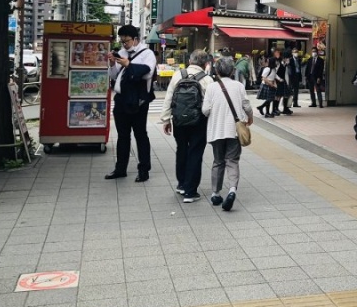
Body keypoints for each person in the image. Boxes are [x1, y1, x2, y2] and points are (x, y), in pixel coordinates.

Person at [160, 49, 213, 202]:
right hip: (199, 121)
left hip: (179, 121)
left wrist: (165, 119)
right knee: (195, 152)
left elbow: (169, 97)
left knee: (181, 149)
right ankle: (190, 191)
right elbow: (210, 104)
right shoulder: (207, 80)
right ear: (205, 64)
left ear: (190, 61)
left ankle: (182, 184)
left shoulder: (178, 75)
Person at [105, 25, 157, 182]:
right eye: (122, 41)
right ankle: (120, 169)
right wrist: (113, 64)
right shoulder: (121, 53)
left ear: (135, 39)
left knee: (140, 135)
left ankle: (144, 170)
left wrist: (129, 64)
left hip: (138, 101)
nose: (124, 44)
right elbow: (114, 76)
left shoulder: (147, 54)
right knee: (122, 136)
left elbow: (147, 73)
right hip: (121, 100)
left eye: (126, 41)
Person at [202, 56, 253, 211]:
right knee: (232, 161)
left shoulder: (211, 87)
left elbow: (205, 110)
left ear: (217, 71)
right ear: (232, 71)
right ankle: (231, 190)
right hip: (234, 131)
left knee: (218, 161)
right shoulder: (238, 86)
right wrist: (250, 118)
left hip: (217, 130)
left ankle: (216, 193)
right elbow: (247, 106)